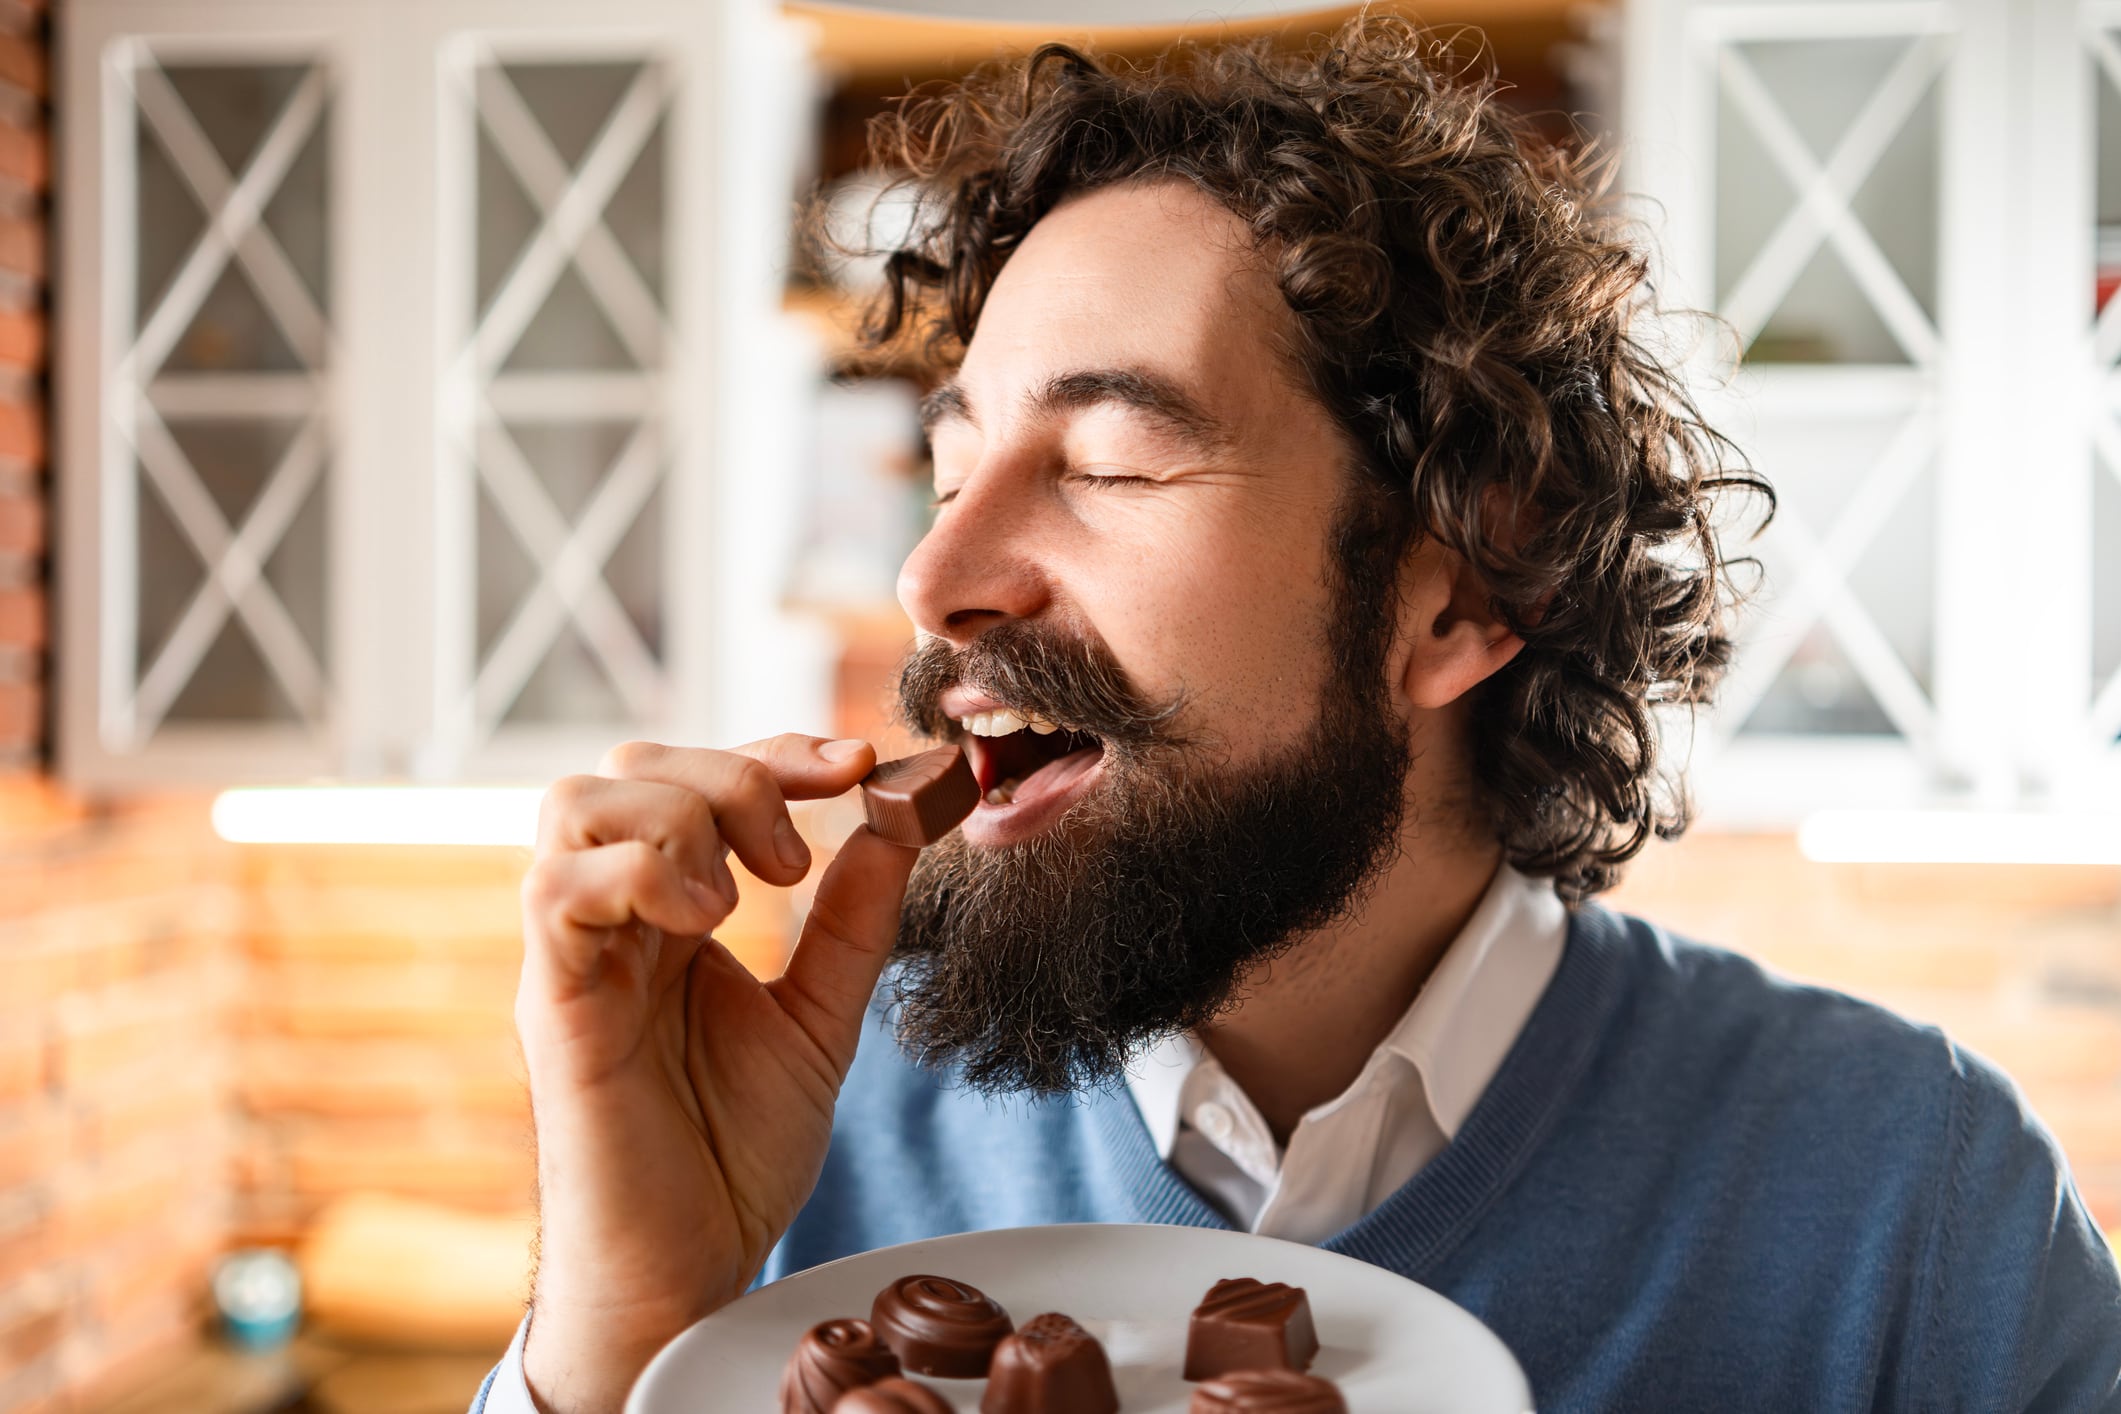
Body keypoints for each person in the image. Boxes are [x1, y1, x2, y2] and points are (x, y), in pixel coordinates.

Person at [472, 19, 2121, 1412]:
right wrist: (621, 1328)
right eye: (950, 464)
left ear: (1465, 589)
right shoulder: (789, 1143)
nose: (935, 575)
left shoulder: (1923, 1213)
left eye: (1107, 461)